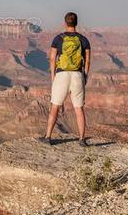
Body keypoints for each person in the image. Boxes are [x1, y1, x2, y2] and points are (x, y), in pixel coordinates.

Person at [39, 12, 91, 147]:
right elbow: (88, 59)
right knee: (79, 109)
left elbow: (52, 58)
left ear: (65, 23)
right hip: (77, 75)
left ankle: (48, 136)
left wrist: (53, 76)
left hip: (61, 75)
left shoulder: (58, 39)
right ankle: (81, 139)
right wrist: (85, 75)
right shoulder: (83, 40)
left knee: (55, 107)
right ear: (76, 23)